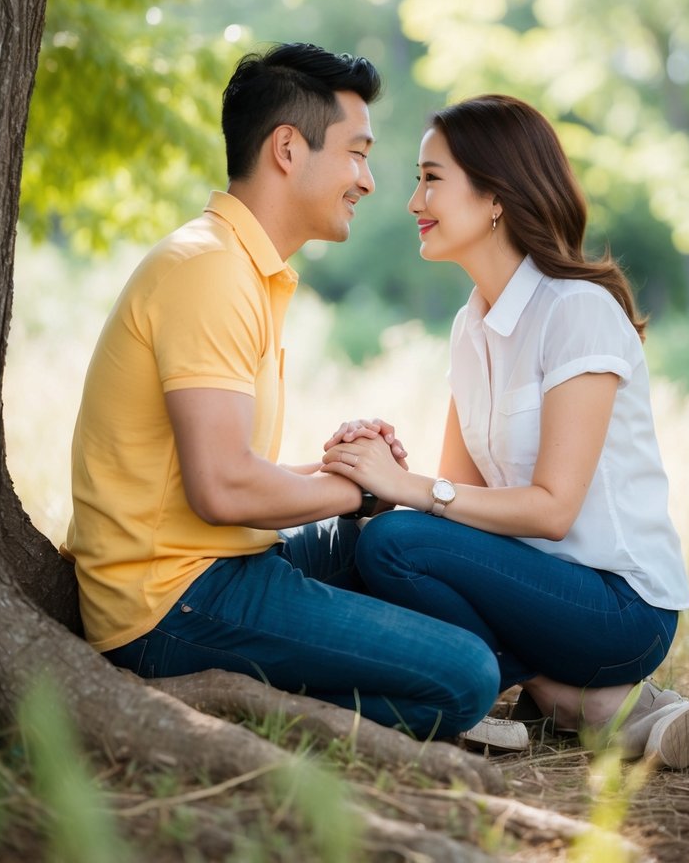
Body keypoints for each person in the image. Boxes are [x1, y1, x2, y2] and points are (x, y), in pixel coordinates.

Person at [63, 43, 499, 739]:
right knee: (465, 679)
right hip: (171, 604)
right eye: (356, 153)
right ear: (288, 149)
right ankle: (250, 708)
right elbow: (224, 490)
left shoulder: (240, 267)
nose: (367, 179)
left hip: (217, 563)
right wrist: (358, 487)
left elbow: (217, 477)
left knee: (395, 538)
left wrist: (351, 477)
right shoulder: (208, 271)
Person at [322, 93, 689, 768]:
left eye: (430, 178)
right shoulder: (468, 327)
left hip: (618, 608)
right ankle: (576, 700)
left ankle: (585, 697)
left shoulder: (576, 312)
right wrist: (380, 471)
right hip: (532, 588)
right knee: (370, 539)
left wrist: (414, 492)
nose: (411, 200)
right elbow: (456, 500)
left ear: (494, 198)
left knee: (393, 544)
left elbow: (551, 509)